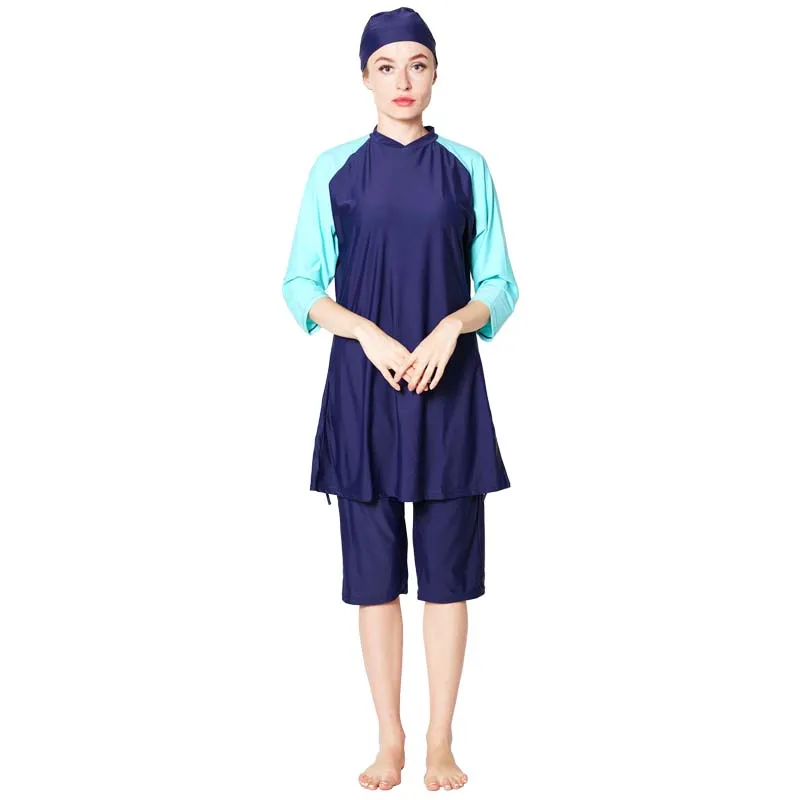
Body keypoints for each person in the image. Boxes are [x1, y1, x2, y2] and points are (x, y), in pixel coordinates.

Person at [281, 6, 519, 791]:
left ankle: (441, 741)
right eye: (386, 66)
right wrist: (366, 333)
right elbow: (301, 283)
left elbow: (499, 283)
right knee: (373, 578)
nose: (403, 80)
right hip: (364, 392)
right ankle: (390, 738)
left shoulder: (468, 169)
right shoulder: (334, 170)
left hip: (450, 394)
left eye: (417, 63)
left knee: (447, 578)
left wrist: (454, 325)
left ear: (436, 72)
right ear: (365, 77)